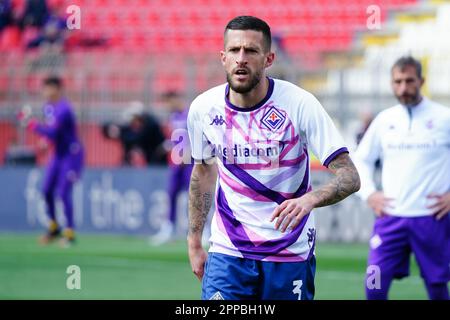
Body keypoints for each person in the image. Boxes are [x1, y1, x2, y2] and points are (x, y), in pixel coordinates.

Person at [186, 16, 360, 300]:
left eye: (251, 51)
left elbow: (350, 176)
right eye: (234, 50)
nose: (241, 59)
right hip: (229, 251)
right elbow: (202, 174)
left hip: (289, 252)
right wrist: (194, 241)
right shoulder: (203, 109)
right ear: (223, 57)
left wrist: (309, 200)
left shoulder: (300, 104)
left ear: (269, 58)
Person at [354, 56, 450, 300]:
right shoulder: (385, 120)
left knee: (437, 285)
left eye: (409, 81)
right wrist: (370, 194)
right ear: (391, 83)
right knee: (373, 281)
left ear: (422, 81)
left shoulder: (443, 118)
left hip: (432, 218)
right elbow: (360, 159)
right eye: (398, 82)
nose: (403, 88)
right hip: (390, 217)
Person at [22, 76, 84, 247]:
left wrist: (31, 124)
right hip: (57, 154)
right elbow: (53, 134)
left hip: (71, 155)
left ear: (57, 89)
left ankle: (69, 233)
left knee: (63, 193)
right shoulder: (48, 107)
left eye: (47, 88)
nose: (45, 92)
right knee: (47, 191)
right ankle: (54, 228)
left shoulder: (64, 109)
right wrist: (45, 142)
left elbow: (53, 133)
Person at [150, 91, 194, 245]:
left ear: (176, 99)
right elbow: (176, 139)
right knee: (171, 194)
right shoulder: (173, 117)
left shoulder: (190, 114)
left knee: (195, 196)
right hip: (176, 163)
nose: (167, 106)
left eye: (169, 102)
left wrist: (188, 152)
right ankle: (168, 229)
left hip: (191, 162)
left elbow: (197, 137)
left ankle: (203, 229)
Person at [102, 101, 167, 166]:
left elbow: (141, 138)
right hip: (151, 156)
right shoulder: (126, 132)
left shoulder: (150, 123)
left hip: (157, 154)